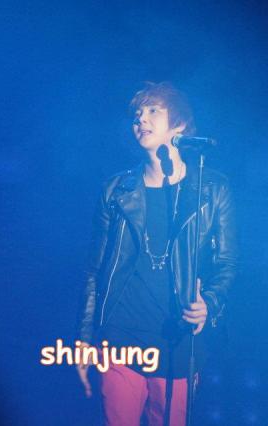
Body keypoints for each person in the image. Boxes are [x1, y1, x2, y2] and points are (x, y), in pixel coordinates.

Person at [75, 81, 237, 425]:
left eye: (152, 111)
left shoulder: (211, 188)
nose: (141, 119)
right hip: (120, 338)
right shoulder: (116, 190)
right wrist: (85, 339)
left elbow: (226, 263)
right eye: (137, 114)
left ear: (180, 125)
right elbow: (94, 269)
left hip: (176, 339)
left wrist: (209, 304)